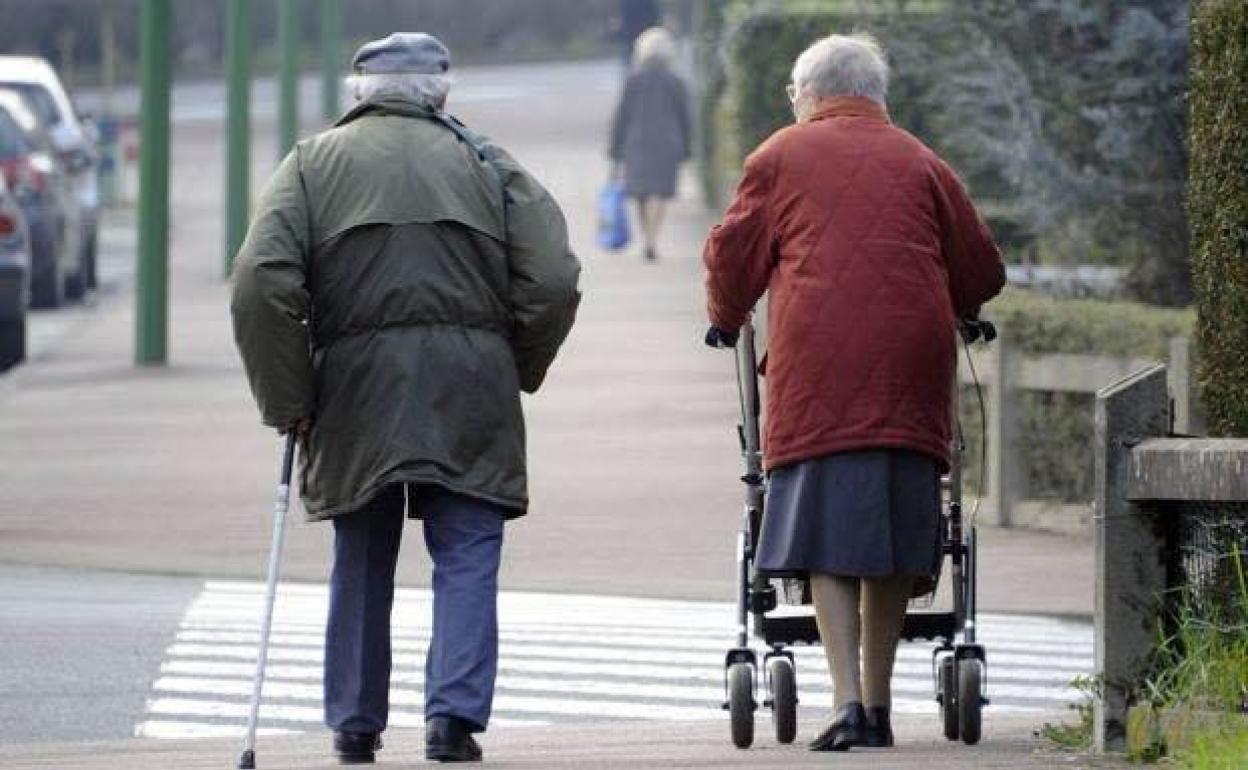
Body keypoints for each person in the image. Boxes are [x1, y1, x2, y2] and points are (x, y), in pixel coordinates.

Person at [230, 32, 581, 765]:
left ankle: (355, 724)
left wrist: (288, 395)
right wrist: (513, 360)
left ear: (359, 93)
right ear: (442, 92)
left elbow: (260, 282)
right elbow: (551, 276)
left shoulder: (312, 164)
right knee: (468, 547)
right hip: (470, 384)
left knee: (360, 546)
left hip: (354, 391)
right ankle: (453, 721)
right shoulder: (488, 163)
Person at [702, 33, 1005, 752]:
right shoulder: (919, 159)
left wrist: (724, 318)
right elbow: (979, 265)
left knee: (827, 537)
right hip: (910, 366)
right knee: (898, 537)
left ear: (809, 94)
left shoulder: (778, 156)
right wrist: (963, 303)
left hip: (818, 372)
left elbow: (731, 255)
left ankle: (847, 707)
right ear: (877, 95)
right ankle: (878, 700)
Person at [609, 26, 691, 262]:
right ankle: (651, 239)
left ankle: (648, 238)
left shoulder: (633, 79)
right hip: (668, 141)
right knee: (658, 192)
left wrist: (615, 148)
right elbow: (684, 115)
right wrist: (687, 146)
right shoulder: (676, 81)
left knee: (641, 194)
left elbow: (622, 115)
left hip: (637, 142)